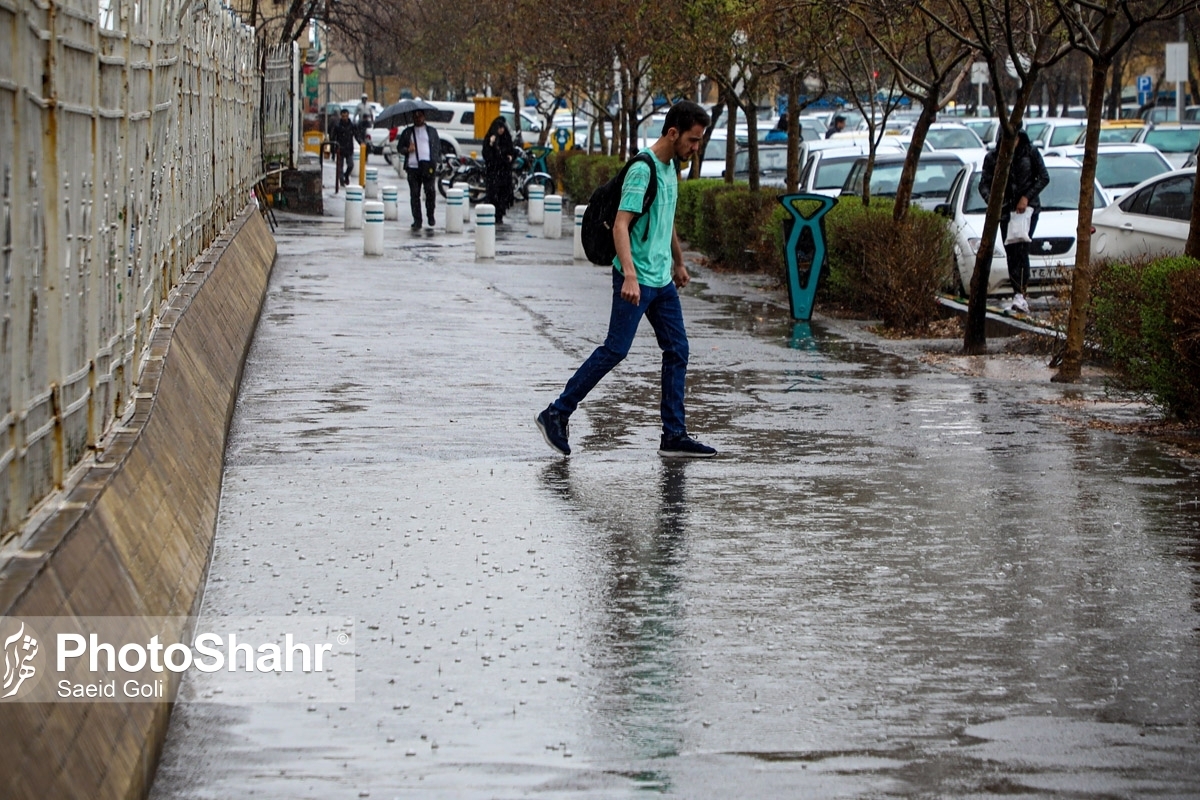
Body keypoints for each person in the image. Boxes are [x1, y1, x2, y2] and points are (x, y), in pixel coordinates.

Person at [535, 101, 717, 459]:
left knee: (678, 350)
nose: (696, 149)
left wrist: (679, 263)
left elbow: (667, 219)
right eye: (693, 141)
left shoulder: (670, 170)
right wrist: (629, 276)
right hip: (635, 277)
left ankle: (673, 434)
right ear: (673, 133)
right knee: (616, 349)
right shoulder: (643, 170)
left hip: (661, 279)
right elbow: (620, 225)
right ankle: (556, 412)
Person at [979, 128, 1049, 314]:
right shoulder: (994, 157)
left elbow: (1043, 177)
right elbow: (983, 183)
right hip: (1005, 211)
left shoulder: (1030, 153)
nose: (1014, 141)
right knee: (1011, 250)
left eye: (1016, 138)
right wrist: (993, 201)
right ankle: (1017, 290)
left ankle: (1021, 293)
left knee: (1021, 248)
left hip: (1027, 210)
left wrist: (1026, 197)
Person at [396, 110, 442, 229]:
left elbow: (437, 146)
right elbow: (399, 148)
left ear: (424, 117)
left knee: (430, 191)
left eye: (420, 116)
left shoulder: (431, 131)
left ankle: (430, 215)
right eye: (415, 116)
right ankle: (417, 220)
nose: (418, 118)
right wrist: (407, 150)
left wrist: (435, 161)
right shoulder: (408, 132)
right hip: (413, 167)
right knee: (415, 194)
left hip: (428, 166)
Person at [482, 117, 515, 224]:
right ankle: (493, 213)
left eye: (502, 128)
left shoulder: (506, 138)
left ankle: (500, 214)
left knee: (503, 194)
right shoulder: (489, 138)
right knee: (493, 194)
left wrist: (510, 157)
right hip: (493, 172)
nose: (501, 130)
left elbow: (511, 151)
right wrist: (491, 144)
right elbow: (487, 155)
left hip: (504, 172)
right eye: (499, 128)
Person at [330, 108, 362, 191]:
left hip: (349, 148)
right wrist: (333, 151)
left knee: (351, 165)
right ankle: (341, 181)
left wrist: (361, 143)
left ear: (348, 116)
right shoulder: (337, 126)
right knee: (340, 167)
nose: (345, 118)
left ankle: (346, 175)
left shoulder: (352, 125)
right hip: (340, 149)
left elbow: (356, 135)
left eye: (346, 116)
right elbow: (333, 138)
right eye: (343, 116)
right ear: (341, 116)